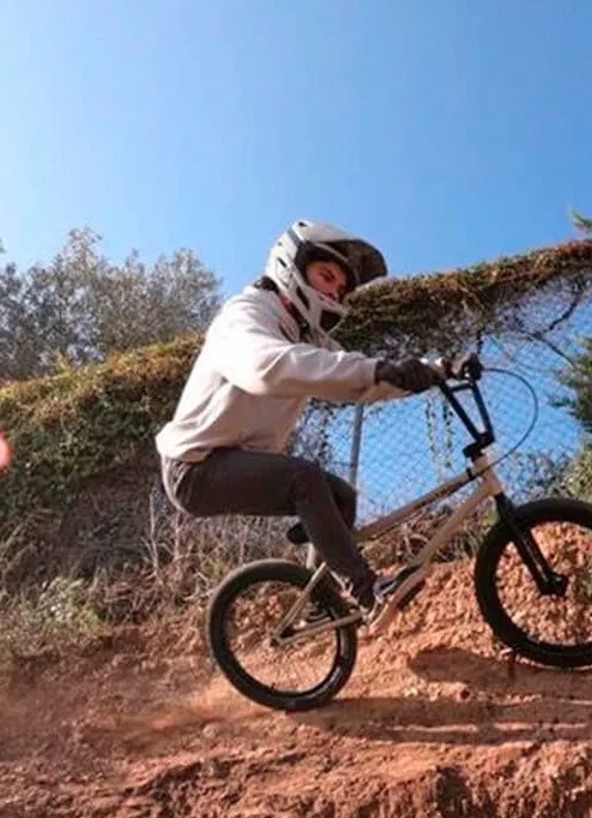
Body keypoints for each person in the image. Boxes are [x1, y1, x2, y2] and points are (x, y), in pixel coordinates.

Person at [156, 221, 440, 617]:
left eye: (341, 288)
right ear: (292, 265)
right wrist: (376, 371)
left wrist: (436, 370)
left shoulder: (307, 338)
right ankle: (368, 592)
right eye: (326, 276)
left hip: (234, 457)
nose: (334, 293)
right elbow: (267, 366)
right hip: (194, 466)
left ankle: (320, 603)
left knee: (341, 497)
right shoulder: (245, 314)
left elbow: (353, 373)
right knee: (304, 480)